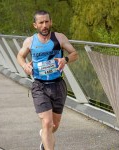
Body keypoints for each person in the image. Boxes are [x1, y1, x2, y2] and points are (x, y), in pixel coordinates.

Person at [17, 10, 78, 150]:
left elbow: (75, 54)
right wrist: (25, 65)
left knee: (53, 126)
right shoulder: (30, 41)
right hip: (40, 86)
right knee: (47, 123)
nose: (44, 25)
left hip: (58, 85)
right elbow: (20, 56)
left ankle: (44, 137)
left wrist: (65, 59)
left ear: (50, 22)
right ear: (35, 25)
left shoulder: (59, 38)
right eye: (41, 22)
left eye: (46, 22)